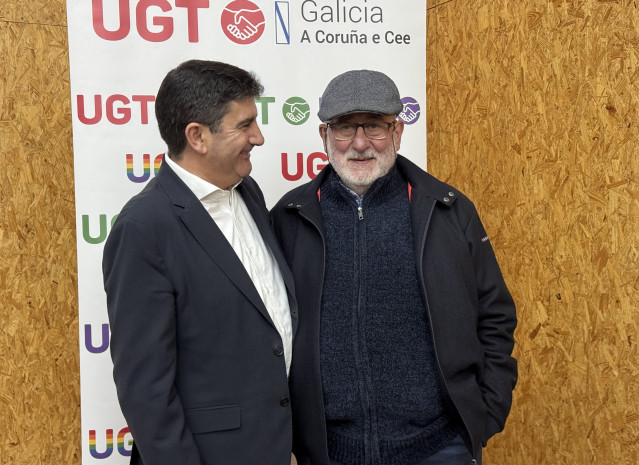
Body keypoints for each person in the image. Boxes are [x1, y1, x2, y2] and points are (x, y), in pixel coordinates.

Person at [270, 70, 517, 465]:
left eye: (375, 126)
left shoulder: (449, 211)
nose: (361, 143)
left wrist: (485, 410)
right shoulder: (289, 217)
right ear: (324, 136)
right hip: (331, 453)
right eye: (345, 128)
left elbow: (494, 315)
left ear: (398, 131)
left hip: (439, 447)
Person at [103, 60, 297, 465]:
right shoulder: (145, 227)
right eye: (244, 125)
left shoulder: (248, 192)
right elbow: (146, 391)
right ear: (197, 136)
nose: (258, 137)